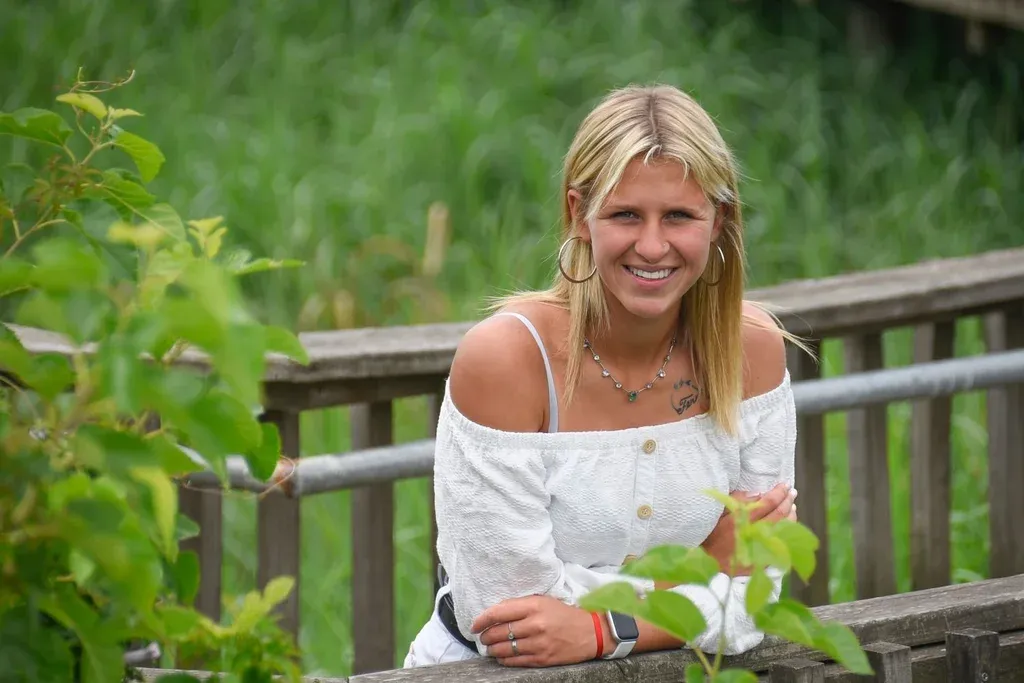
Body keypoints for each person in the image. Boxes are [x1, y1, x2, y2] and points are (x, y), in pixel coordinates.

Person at [403, 83, 803, 669]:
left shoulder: (752, 350)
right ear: (579, 215)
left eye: (679, 216)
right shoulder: (507, 361)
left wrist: (599, 629)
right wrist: (704, 568)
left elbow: (756, 594)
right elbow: (506, 621)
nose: (652, 246)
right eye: (625, 215)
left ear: (718, 220)